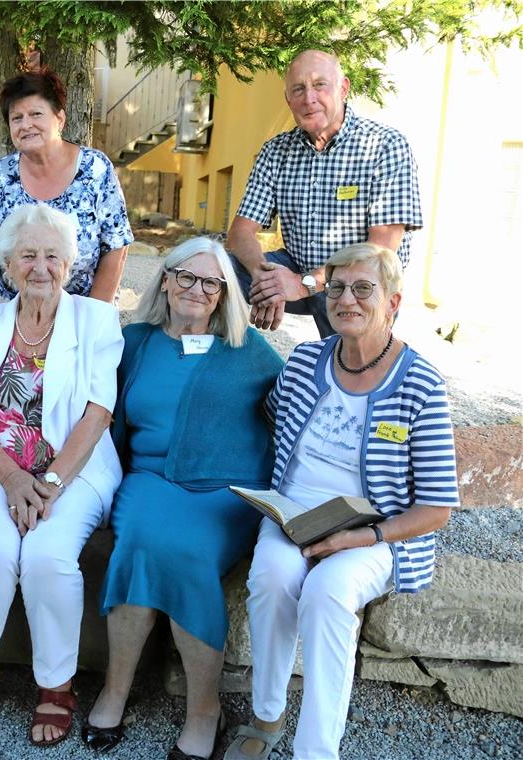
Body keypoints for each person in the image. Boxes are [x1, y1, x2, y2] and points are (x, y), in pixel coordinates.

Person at [225, 243, 458, 760]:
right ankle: (267, 715)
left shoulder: (420, 383)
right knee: (271, 575)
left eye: (362, 288)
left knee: (329, 593)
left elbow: (438, 507)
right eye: (336, 288)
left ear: (394, 302)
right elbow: (268, 412)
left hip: (376, 527)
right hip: (295, 511)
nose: (346, 299)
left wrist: (363, 536)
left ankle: (317, 750)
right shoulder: (307, 359)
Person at [0, 204, 123, 748]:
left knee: (47, 555)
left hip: (75, 468)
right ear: (8, 264)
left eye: (52, 256)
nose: (40, 266)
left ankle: (56, 686)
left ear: (70, 262)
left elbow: (97, 412)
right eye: (28, 255)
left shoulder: (97, 320)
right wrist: (13, 479)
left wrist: (51, 483)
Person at [82, 238, 284, 758]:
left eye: (210, 282)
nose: (196, 289)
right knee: (142, 540)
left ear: (223, 294)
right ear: (166, 280)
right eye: (186, 277)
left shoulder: (249, 350)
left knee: (188, 550)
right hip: (149, 479)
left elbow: (297, 411)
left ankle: (204, 710)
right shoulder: (135, 341)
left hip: (225, 490)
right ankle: (114, 689)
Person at [227, 50, 422, 337]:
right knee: (215, 269)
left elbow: (381, 248)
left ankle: (353, 369)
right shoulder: (275, 151)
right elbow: (240, 232)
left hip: (361, 281)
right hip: (296, 267)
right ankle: (211, 364)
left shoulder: (386, 145)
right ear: (288, 99)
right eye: (298, 89)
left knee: (348, 366)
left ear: (343, 88)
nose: (309, 98)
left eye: (320, 85)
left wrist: (304, 283)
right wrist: (264, 278)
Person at [0, 68, 134, 303]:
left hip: (84, 310)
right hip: (17, 313)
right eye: (17, 118)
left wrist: (93, 317)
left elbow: (116, 248)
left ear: (59, 119)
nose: (26, 125)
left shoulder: (95, 169)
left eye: (36, 114)